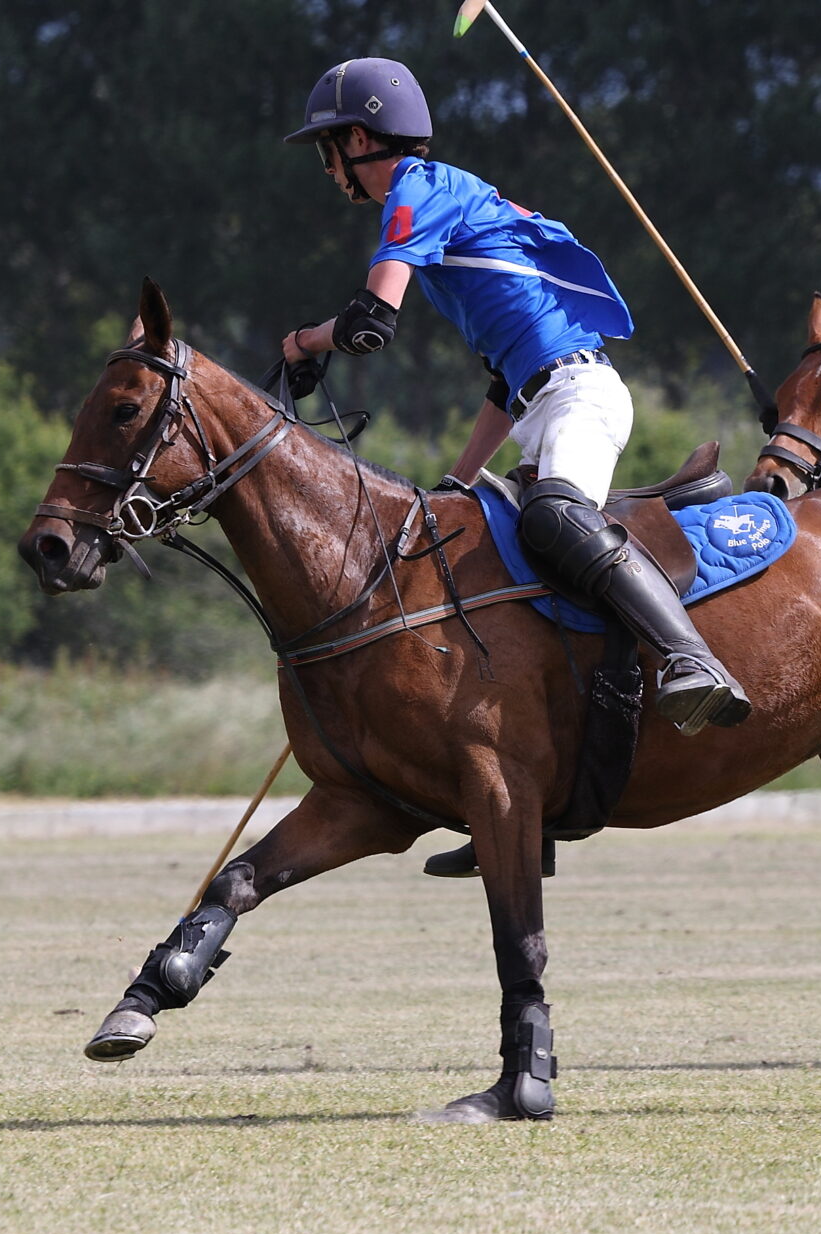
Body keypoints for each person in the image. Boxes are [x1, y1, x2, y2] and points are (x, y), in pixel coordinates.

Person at [276, 56, 751, 740]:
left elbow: (370, 322)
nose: (326, 169)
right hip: (542, 400)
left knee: (555, 518)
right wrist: (458, 480)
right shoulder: (438, 207)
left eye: (326, 149)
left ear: (358, 139)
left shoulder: (418, 190)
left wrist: (303, 343)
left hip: (580, 392)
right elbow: (506, 385)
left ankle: (692, 658)